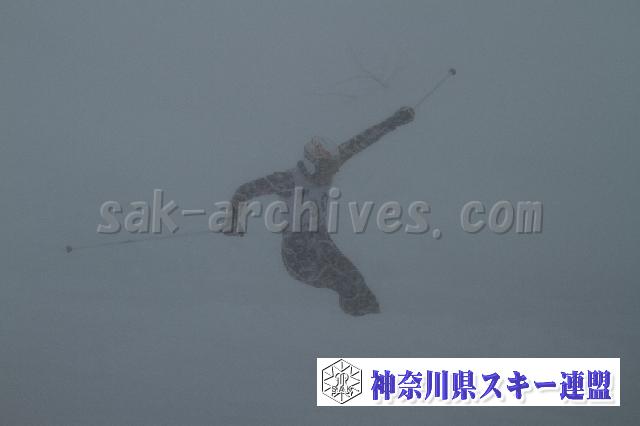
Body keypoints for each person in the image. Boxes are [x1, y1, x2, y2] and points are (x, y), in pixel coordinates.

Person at [226, 106, 415, 316]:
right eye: (329, 168)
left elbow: (361, 141)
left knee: (354, 280)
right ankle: (358, 323)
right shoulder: (288, 180)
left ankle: (374, 320)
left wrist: (394, 121)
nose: (334, 172)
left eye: (334, 167)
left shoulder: (328, 165)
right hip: (298, 254)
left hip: (321, 240)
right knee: (342, 281)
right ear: (312, 164)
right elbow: (245, 190)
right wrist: (234, 220)